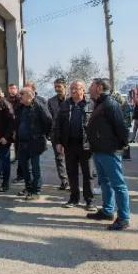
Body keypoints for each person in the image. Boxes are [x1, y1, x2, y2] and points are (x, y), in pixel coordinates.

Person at [85, 79, 130, 229]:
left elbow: (121, 126)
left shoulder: (110, 104)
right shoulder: (100, 104)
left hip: (109, 151)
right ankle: (107, 211)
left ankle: (123, 218)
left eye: (91, 86)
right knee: (104, 182)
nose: (88, 88)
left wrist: (123, 144)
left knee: (118, 184)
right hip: (98, 150)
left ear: (99, 88)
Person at [53, 80, 95, 211]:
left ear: (83, 90)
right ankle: (74, 198)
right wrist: (58, 142)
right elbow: (58, 125)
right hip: (69, 144)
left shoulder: (90, 104)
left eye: (76, 88)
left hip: (86, 145)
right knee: (72, 173)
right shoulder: (65, 104)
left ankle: (89, 201)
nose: (73, 91)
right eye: (71, 88)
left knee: (88, 174)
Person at [14, 87, 52, 200]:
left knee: (35, 168)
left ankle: (36, 190)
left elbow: (49, 121)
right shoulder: (20, 107)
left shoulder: (39, 106)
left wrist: (42, 134)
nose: (20, 96)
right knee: (24, 168)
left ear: (30, 95)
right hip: (22, 142)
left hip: (35, 142)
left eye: (22, 94)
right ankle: (29, 188)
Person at [47, 79, 70, 190]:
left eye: (59, 87)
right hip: (56, 134)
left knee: (71, 158)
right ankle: (64, 181)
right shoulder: (51, 101)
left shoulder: (71, 100)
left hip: (71, 133)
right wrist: (51, 133)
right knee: (59, 158)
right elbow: (49, 118)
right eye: (55, 87)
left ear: (64, 87)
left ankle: (72, 180)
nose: (57, 89)